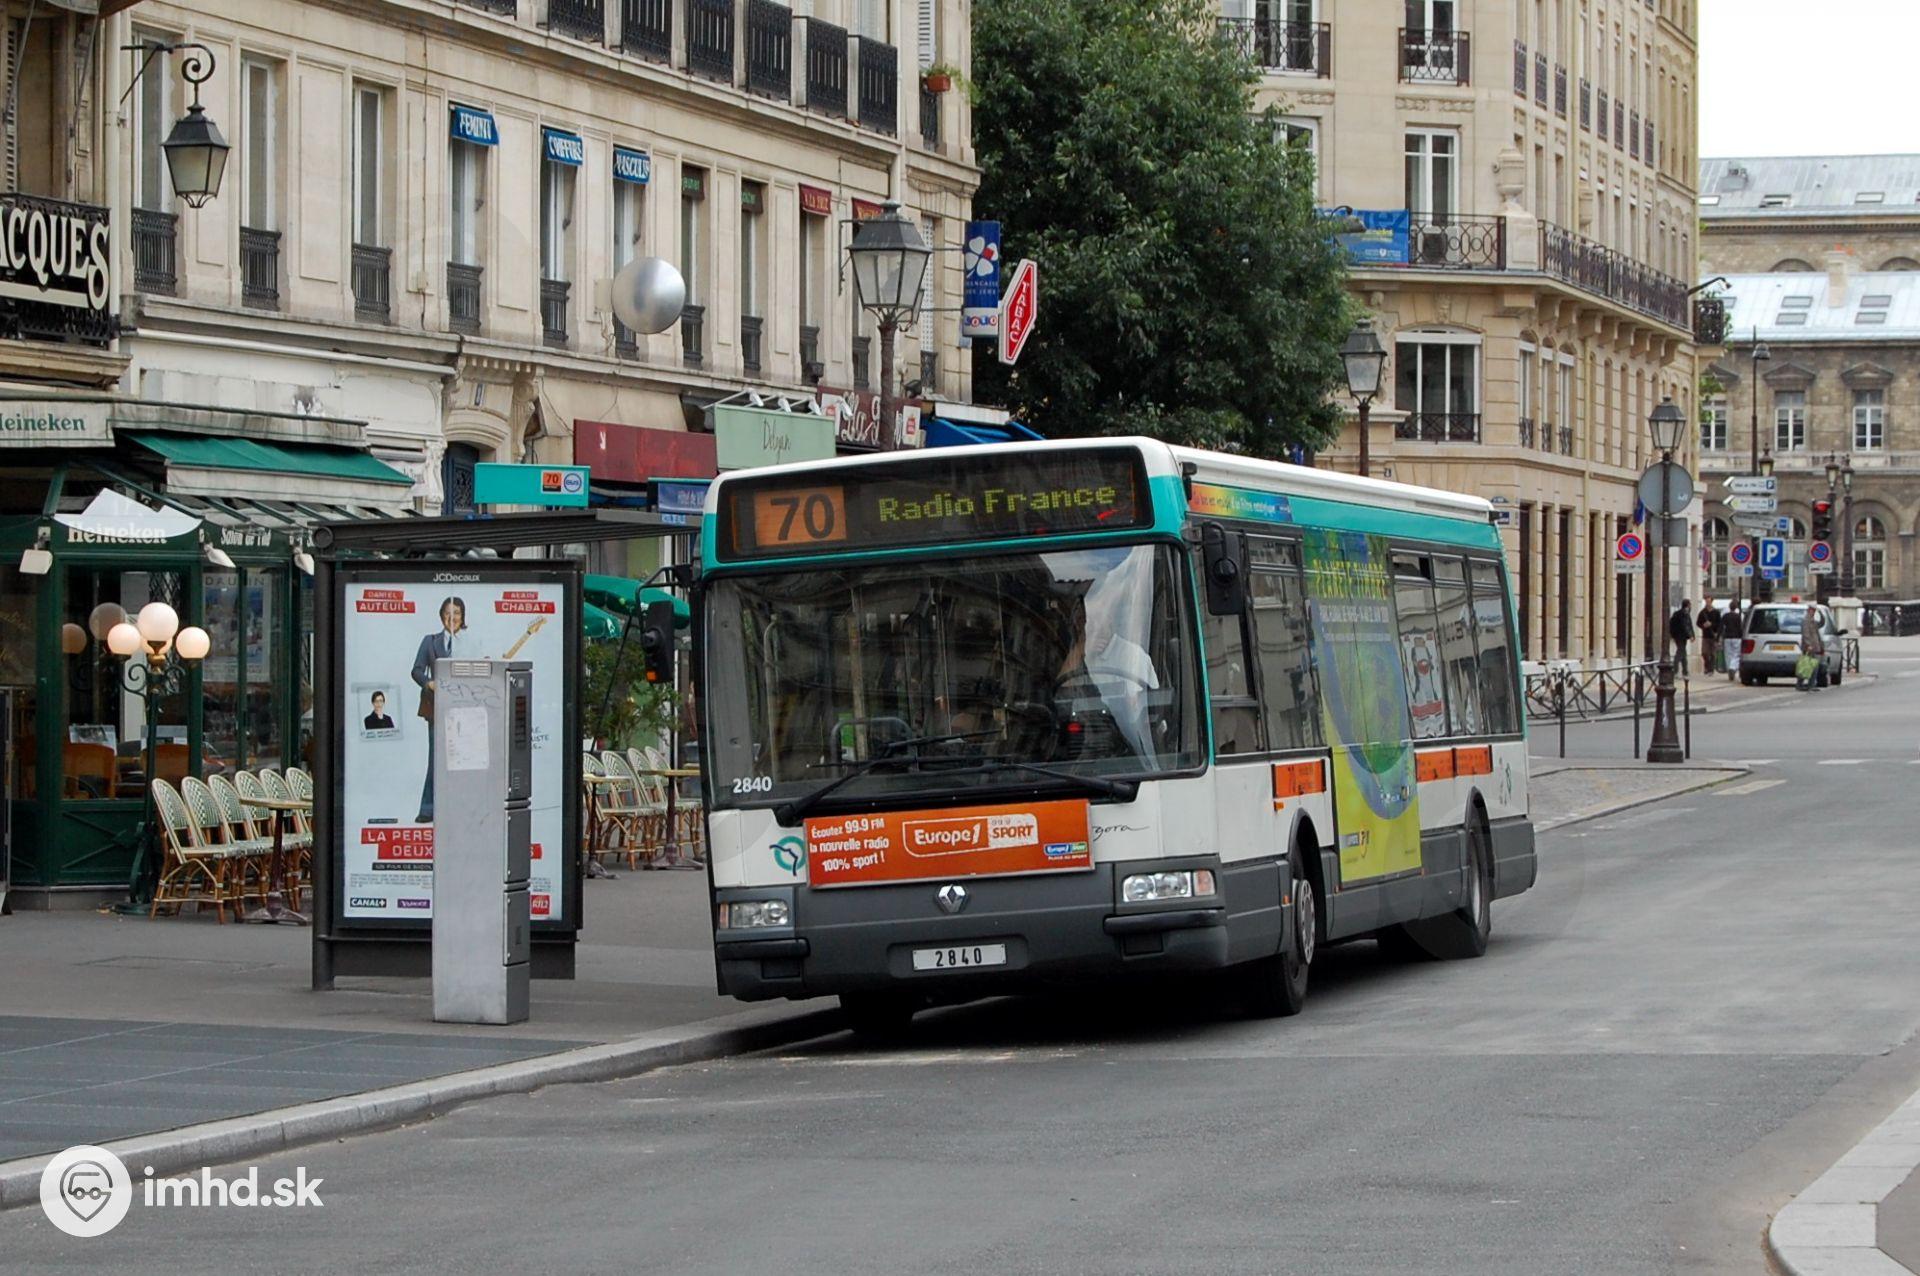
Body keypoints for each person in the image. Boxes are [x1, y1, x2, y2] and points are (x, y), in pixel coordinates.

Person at [411, 596, 467, 822]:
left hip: (465, 708)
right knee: (436, 757)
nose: (452, 618)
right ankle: (428, 809)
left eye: (456, 613)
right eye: (447, 613)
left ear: (463, 616)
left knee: (464, 759)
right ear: (441, 616)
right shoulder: (430, 641)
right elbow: (416, 670)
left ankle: (460, 807)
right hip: (437, 707)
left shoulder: (470, 642)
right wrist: (429, 683)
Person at [1797, 605, 1826, 691]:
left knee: (1811, 667)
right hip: (1809, 648)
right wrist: (1808, 645)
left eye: (1814, 611)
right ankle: (1801, 684)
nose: (1813, 612)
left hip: (1815, 648)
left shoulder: (1813, 621)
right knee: (1806, 666)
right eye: (1812, 610)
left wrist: (1821, 614)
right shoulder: (1806, 621)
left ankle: (1810, 684)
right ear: (1808, 610)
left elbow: (1821, 623)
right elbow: (1805, 633)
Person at [1695, 600, 1722, 675]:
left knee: (1713, 654)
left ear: (1711, 602)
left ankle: (1711, 669)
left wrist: (1712, 624)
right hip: (1705, 635)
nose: (1707, 603)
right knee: (1704, 653)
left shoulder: (1716, 612)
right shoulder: (1703, 612)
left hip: (1714, 636)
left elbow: (1720, 624)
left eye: (1709, 601)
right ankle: (1707, 666)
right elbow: (1698, 623)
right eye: (1706, 601)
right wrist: (1703, 625)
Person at [1720, 602, 1745, 682]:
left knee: (1728, 654)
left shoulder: (1725, 616)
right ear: (1736, 608)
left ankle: (1729, 669)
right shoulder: (1738, 616)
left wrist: (1718, 637)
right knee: (1736, 654)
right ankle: (1733, 667)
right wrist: (1742, 636)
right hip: (1737, 637)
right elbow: (1740, 627)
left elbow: (1721, 627)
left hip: (1727, 637)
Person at [1669, 599, 1695, 673]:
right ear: (1688, 605)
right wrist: (1691, 635)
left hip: (1677, 636)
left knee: (1683, 652)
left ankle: (1685, 670)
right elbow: (1686, 625)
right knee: (1680, 652)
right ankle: (1675, 669)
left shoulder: (1678, 613)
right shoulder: (1684, 614)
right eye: (1690, 605)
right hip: (1682, 636)